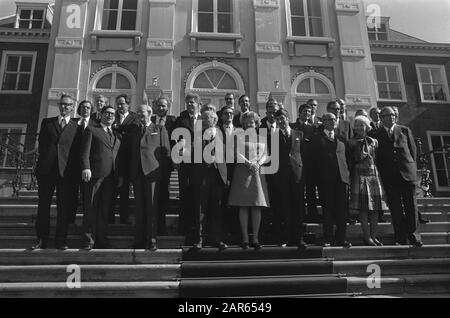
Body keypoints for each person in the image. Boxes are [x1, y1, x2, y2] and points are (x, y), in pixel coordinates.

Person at [31, 94, 80, 250]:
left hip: (66, 173)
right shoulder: (47, 123)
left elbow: (77, 152)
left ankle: (61, 240)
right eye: (62, 104)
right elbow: (42, 145)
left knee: (63, 208)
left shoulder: (76, 127)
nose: (64, 107)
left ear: (73, 107)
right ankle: (41, 239)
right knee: (43, 206)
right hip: (46, 171)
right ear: (59, 105)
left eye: (68, 105)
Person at [373, 106, 423, 247]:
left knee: (411, 206)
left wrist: (411, 169)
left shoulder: (405, 130)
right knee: (395, 208)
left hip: (407, 174)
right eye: (388, 115)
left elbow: (413, 152)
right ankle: (400, 237)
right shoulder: (376, 135)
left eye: (393, 115)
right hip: (389, 177)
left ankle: (415, 236)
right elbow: (378, 158)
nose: (392, 117)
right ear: (381, 119)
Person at [80, 105, 122, 250]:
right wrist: (86, 167)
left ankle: (102, 239)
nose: (110, 116)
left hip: (111, 177)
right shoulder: (92, 130)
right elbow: (85, 152)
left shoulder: (117, 135)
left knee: (104, 210)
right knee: (91, 207)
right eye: (107, 113)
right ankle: (88, 239)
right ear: (101, 115)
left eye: (112, 114)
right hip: (95, 175)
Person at [228, 112, 270, 250]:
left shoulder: (262, 137)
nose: (249, 124)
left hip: (257, 172)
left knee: (257, 205)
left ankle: (256, 238)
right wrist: (249, 163)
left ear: (256, 123)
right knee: (243, 205)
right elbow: (236, 153)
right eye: (247, 122)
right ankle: (245, 238)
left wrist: (258, 163)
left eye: (252, 122)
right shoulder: (238, 136)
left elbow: (266, 154)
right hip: (243, 171)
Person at [311, 113, 351, 248]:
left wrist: (347, 174)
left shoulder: (341, 138)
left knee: (342, 210)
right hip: (325, 180)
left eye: (335, 119)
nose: (333, 121)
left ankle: (341, 238)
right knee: (327, 209)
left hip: (342, 179)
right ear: (324, 122)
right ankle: (328, 237)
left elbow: (348, 158)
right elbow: (313, 160)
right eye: (330, 119)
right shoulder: (317, 138)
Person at [129, 104, 166, 251]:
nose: (139, 115)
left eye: (142, 112)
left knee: (151, 207)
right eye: (138, 112)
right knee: (139, 208)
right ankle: (139, 239)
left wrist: (163, 174)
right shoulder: (135, 130)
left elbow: (166, 153)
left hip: (152, 174)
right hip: (137, 173)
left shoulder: (159, 129)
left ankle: (151, 239)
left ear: (150, 113)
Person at [191, 109, 228, 251]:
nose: (204, 120)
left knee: (216, 209)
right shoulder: (197, 135)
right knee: (201, 209)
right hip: (202, 176)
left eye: (207, 118)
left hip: (217, 175)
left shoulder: (222, 133)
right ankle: (199, 239)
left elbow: (226, 153)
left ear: (214, 120)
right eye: (203, 118)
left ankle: (216, 238)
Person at [348, 116, 388, 246]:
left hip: (373, 175)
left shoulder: (374, 142)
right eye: (357, 125)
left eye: (362, 125)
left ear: (367, 126)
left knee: (375, 208)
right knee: (363, 209)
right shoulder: (351, 142)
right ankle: (367, 237)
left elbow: (377, 159)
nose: (359, 127)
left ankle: (374, 236)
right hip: (359, 175)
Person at [273, 109, 307, 250]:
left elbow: (304, 155)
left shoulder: (299, 134)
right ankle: (285, 237)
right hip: (281, 176)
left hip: (297, 175)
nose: (280, 121)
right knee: (284, 207)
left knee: (298, 207)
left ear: (287, 118)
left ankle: (299, 238)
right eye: (278, 119)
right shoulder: (272, 137)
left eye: (282, 118)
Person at [175, 93, 201, 244]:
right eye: (188, 103)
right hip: (185, 163)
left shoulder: (204, 120)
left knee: (197, 195)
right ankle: (183, 226)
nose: (190, 105)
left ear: (198, 104)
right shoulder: (181, 120)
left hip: (200, 164)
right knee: (184, 192)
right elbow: (176, 140)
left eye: (192, 103)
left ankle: (196, 227)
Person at [67, 100, 97, 224]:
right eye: (83, 107)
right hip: (72, 165)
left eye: (88, 107)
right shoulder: (72, 123)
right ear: (79, 109)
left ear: (91, 110)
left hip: (88, 166)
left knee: (87, 195)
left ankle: (87, 222)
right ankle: (70, 220)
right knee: (71, 194)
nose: (85, 109)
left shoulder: (96, 125)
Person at [151, 97, 177, 235]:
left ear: (168, 107)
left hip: (166, 163)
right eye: (159, 106)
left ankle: (161, 225)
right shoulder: (150, 120)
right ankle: (151, 225)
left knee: (163, 194)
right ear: (155, 107)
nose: (161, 108)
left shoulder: (173, 121)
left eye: (164, 106)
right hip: (151, 164)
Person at [113, 94, 138, 224]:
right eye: (118, 104)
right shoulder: (113, 117)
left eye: (122, 103)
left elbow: (133, 131)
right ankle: (109, 218)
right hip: (114, 159)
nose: (119, 106)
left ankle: (124, 217)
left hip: (129, 158)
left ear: (128, 104)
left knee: (125, 192)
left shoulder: (134, 117)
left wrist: (120, 128)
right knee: (113, 191)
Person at [293, 104, 320, 223]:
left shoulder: (313, 128)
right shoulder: (293, 126)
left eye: (309, 112)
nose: (307, 114)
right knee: (298, 191)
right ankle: (300, 215)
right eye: (305, 111)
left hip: (310, 164)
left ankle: (312, 215)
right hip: (297, 163)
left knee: (311, 190)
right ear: (299, 112)